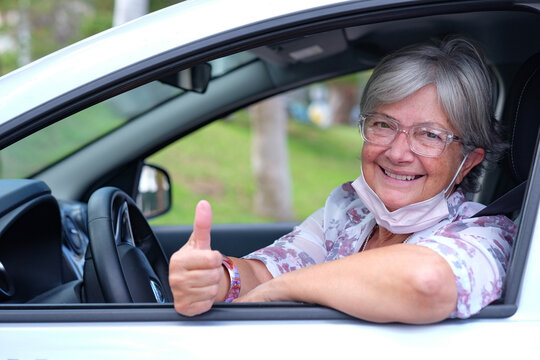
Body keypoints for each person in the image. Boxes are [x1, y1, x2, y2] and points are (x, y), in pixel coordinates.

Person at [168, 36, 517, 324]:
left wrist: (284, 289)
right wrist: (217, 279)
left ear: (468, 162)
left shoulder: (487, 233)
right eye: (383, 124)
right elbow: (266, 272)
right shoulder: (350, 212)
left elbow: (426, 282)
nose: (398, 152)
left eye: (428, 135)